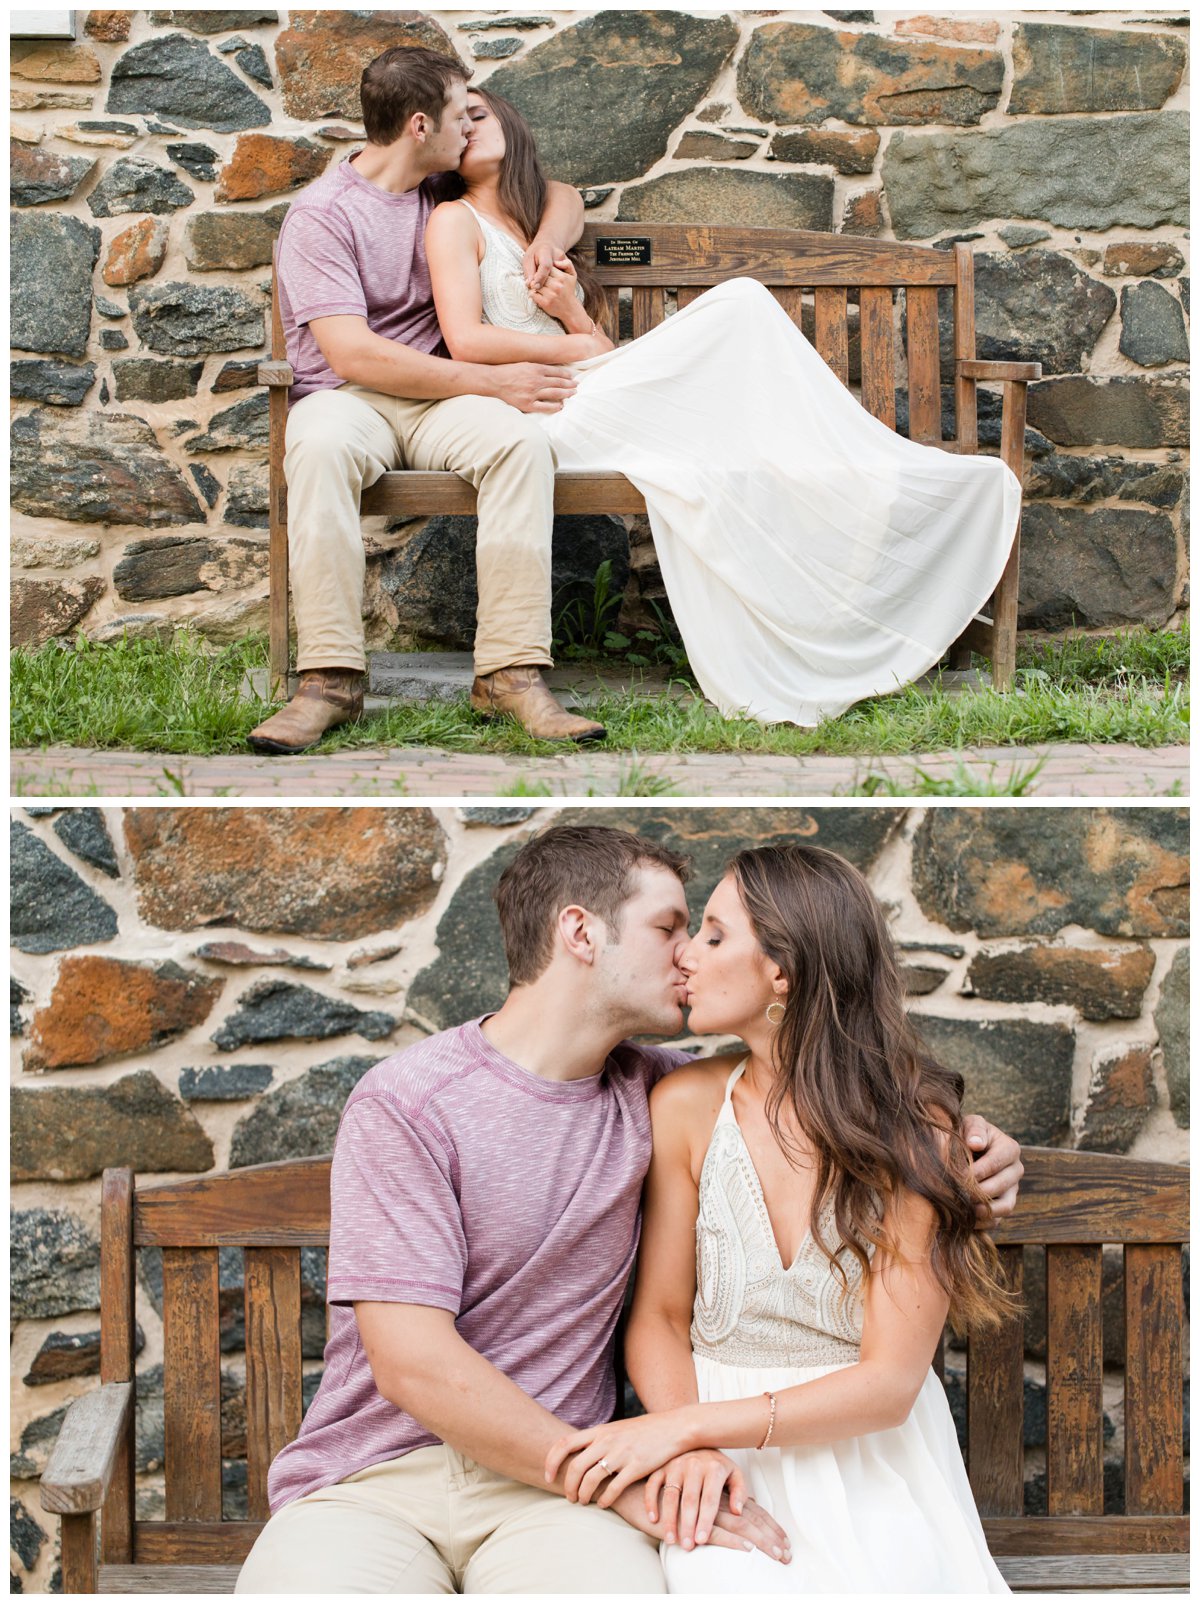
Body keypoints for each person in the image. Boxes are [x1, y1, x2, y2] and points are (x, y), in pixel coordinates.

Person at [235, 825, 1022, 1594]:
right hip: (382, 1476)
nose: (686, 954)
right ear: (580, 932)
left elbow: (831, 1091)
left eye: (704, 934)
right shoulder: (411, 1104)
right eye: (671, 927)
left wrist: (975, 1147)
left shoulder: (658, 1087)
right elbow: (411, 1360)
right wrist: (635, 1467)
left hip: (560, 1497)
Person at [424, 88, 1024, 725]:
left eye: (478, 117)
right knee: (739, 301)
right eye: (454, 126)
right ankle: (829, 455)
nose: (465, 130)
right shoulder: (454, 221)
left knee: (738, 314)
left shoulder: (541, 214)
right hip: (541, 410)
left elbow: (589, 318)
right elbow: (465, 339)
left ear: (512, 125)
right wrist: (573, 338)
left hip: (592, 387)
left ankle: (827, 466)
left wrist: (569, 307)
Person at [543, 843, 1012, 1592]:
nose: (687, 956)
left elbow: (890, 1384)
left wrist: (681, 1429)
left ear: (783, 974)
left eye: (715, 935)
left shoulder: (915, 1132)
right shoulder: (688, 1107)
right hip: (720, 1465)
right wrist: (691, 1442)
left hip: (873, 1455)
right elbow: (660, 1317)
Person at [247, 47, 606, 755]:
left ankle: (509, 673)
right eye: (457, 116)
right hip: (349, 397)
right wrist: (491, 381)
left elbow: (560, 192)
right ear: (419, 126)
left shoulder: (436, 183)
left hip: (438, 400)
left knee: (519, 444)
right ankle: (329, 680)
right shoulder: (322, 215)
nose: (469, 129)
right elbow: (352, 354)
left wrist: (543, 237)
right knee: (315, 446)